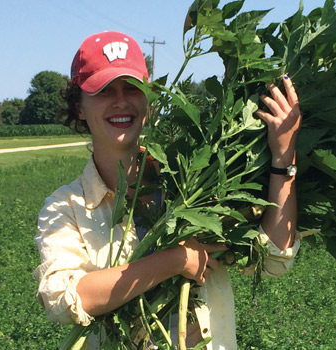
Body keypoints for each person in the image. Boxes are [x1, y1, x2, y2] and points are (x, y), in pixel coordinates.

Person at [33, 30, 302, 349]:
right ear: (79, 106)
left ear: (149, 99)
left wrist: (284, 156)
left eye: (132, 87)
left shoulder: (193, 178)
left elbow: (272, 258)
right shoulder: (66, 207)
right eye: (104, 90)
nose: (121, 100)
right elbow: (65, 297)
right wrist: (175, 260)